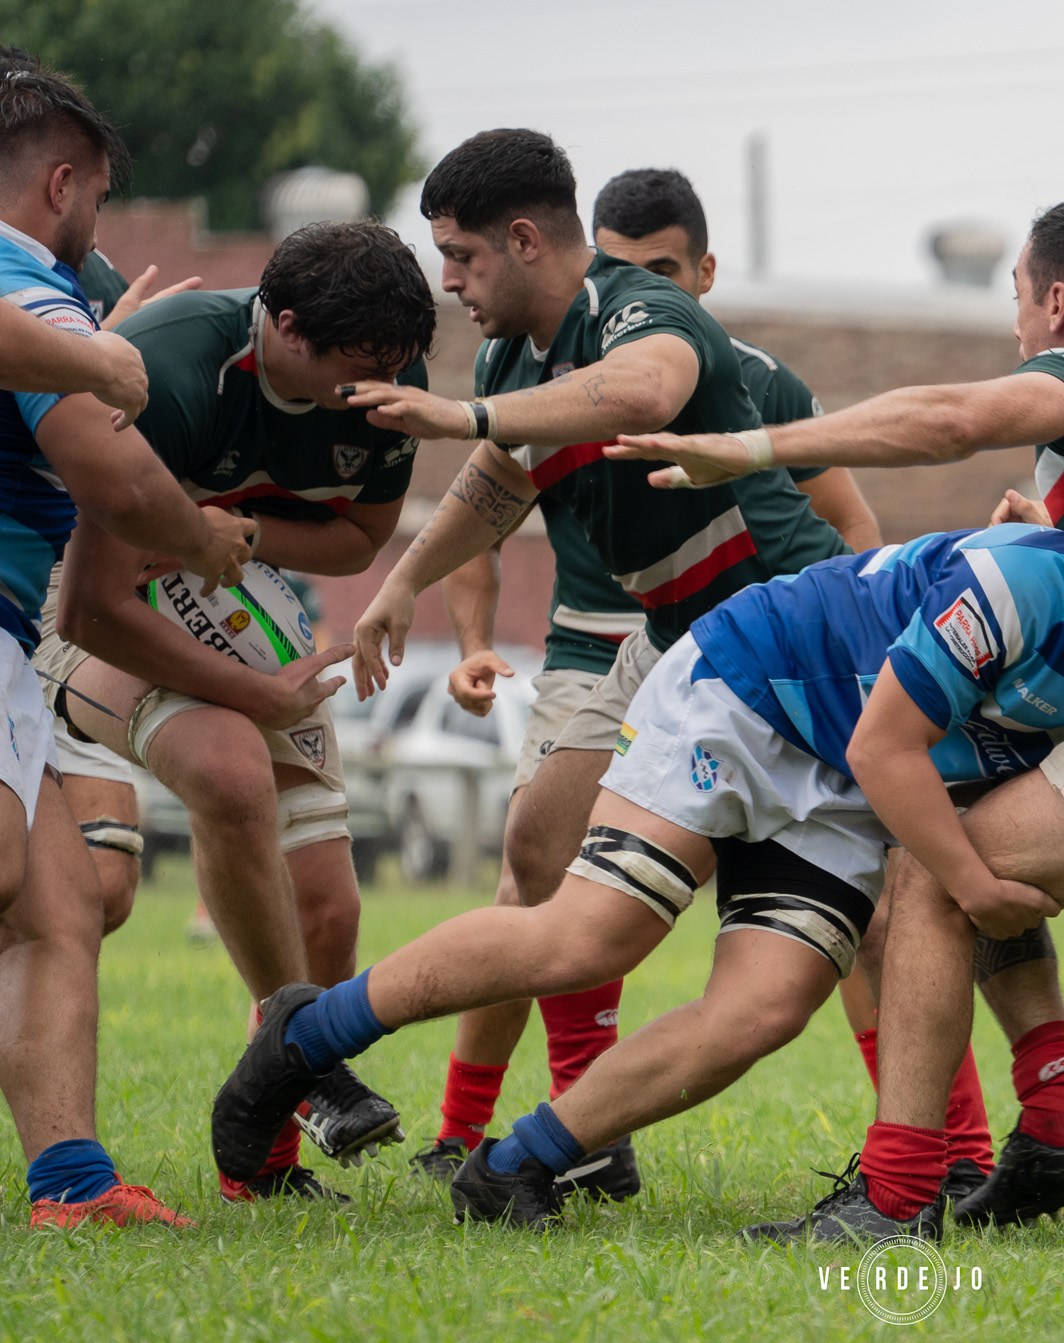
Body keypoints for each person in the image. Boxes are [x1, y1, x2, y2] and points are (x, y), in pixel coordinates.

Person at [610, 194, 1064, 1240]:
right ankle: (1058, 1119)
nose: (1017, 323)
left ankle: (898, 1196)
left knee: (931, 867)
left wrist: (754, 447)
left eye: (1017, 296)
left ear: (1056, 300)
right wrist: (1057, 534)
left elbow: (954, 420)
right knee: (969, 814)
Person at [211, 523, 1064, 1230]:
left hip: (836, 789)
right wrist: (977, 882)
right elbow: (886, 748)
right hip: (745, 691)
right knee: (591, 935)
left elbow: (882, 778)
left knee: (764, 1009)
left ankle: (518, 1166)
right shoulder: (1020, 587)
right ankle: (302, 1037)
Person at [299, 126, 853, 1183]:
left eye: (459, 256)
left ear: (520, 240)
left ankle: (947, 1147)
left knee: (863, 909)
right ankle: (583, 1135)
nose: (450, 281)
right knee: (540, 844)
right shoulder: (516, 357)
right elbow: (503, 481)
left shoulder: (645, 309)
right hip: (672, 638)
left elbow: (639, 395)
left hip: (785, 631)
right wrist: (406, 581)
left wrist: (461, 412)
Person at [39, 220, 438, 1203]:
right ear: (286, 329)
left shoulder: (384, 369)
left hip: (234, 597)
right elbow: (92, 602)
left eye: (389, 367)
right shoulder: (170, 366)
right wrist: (256, 690)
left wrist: (244, 533)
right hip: (67, 602)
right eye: (354, 370)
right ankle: (309, 1063)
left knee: (330, 905)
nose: (372, 391)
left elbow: (358, 539)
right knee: (223, 764)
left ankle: (260, 1163)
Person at [0, 64, 254, 1228]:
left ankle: (69, 1182)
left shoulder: (43, 297)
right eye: (94, 199)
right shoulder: (29, 281)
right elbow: (109, 469)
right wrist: (197, 535)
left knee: (58, 908)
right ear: (64, 184)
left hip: (8, 638)